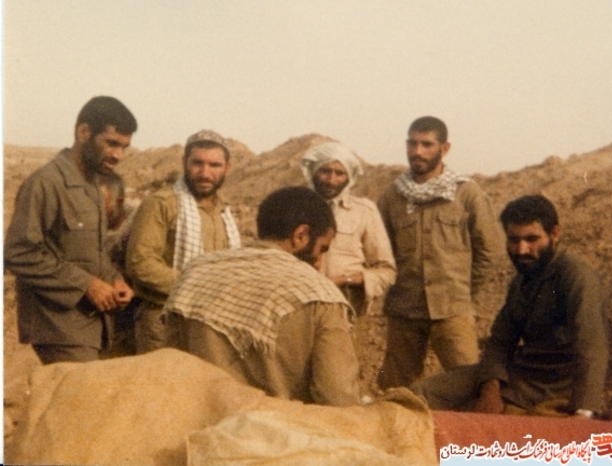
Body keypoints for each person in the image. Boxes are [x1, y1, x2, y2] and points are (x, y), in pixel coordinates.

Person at [411, 195, 609, 418]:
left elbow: (592, 347)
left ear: (555, 234)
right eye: (514, 240)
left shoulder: (575, 276)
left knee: (467, 415)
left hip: (553, 385)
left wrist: (584, 411)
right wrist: (491, 389)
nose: (521, 250)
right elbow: (500, 342)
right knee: (419, 394)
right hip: (518, 373)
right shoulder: (522, 280)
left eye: (532, 239)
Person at [164, 186, 361, 406]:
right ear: (300, 236)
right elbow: (338, 398)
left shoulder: (194, 273)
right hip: (277, 426)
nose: (319, 263)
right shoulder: (322, 296)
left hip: (198, 421)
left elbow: (170, 368)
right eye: (322, 249)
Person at [4, 96, 138, 364]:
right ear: (84, 132)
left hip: (89, 326)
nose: (118, 155)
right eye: (111, 143)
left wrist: (115, 280)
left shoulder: (93, 186)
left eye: (124, 147)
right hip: (58, 327)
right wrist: (86, 285)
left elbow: (90, 252)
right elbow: (18, 252)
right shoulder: (46, 183)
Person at [377, 116, 502, 390]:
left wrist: (463, 291)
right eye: (412, 144)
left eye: (426, 144)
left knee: (467, 383)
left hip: (452, 310)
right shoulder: (392, 196)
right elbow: (380, 251)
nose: (417, 151)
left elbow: (490, 250)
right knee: (394, 389)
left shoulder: (466, 193)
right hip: (405, 310)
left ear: (444, 148)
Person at [126, 129, 241, 354]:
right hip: (164, 321)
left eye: (214, 165)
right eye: (197, 163)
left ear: (227, 167)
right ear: (184, 162)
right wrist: (197, 287)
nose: (205, 173)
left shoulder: (224, 210)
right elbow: (140, 263)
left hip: (211, 322)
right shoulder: (162, 203)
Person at [300, 141, 396, 316]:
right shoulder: (294, 206)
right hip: (299, 306)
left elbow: (386, 271)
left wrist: (345, 280)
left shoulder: (364, 211)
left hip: (346, 309)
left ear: (349, 177)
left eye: (339, 173)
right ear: (313, 171)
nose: (331, 180)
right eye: (325, 171)